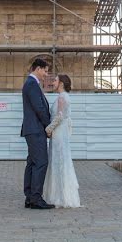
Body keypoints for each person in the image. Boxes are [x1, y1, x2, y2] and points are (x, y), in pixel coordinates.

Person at [21, 58, 55, 209]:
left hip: (31, 130)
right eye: (45, 71)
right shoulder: (32, 84)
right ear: (38, 69)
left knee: (33, 162)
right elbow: (39, 108)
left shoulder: (30, 84)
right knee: (41, 162)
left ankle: (30, 197)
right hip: (35, 130)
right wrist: (48, 127)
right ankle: (35, 198)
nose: (46, 75)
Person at [44, 73, 80, 208]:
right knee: (60, 162)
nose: (53, 82)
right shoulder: (63, 97)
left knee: (59, 163)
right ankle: (61, 195)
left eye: (55, 80)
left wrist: (48, 129)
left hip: (58, 135)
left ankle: (60, 197)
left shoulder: (62, 97)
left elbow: (59, 117)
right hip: (60, 134)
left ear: (61, 84)